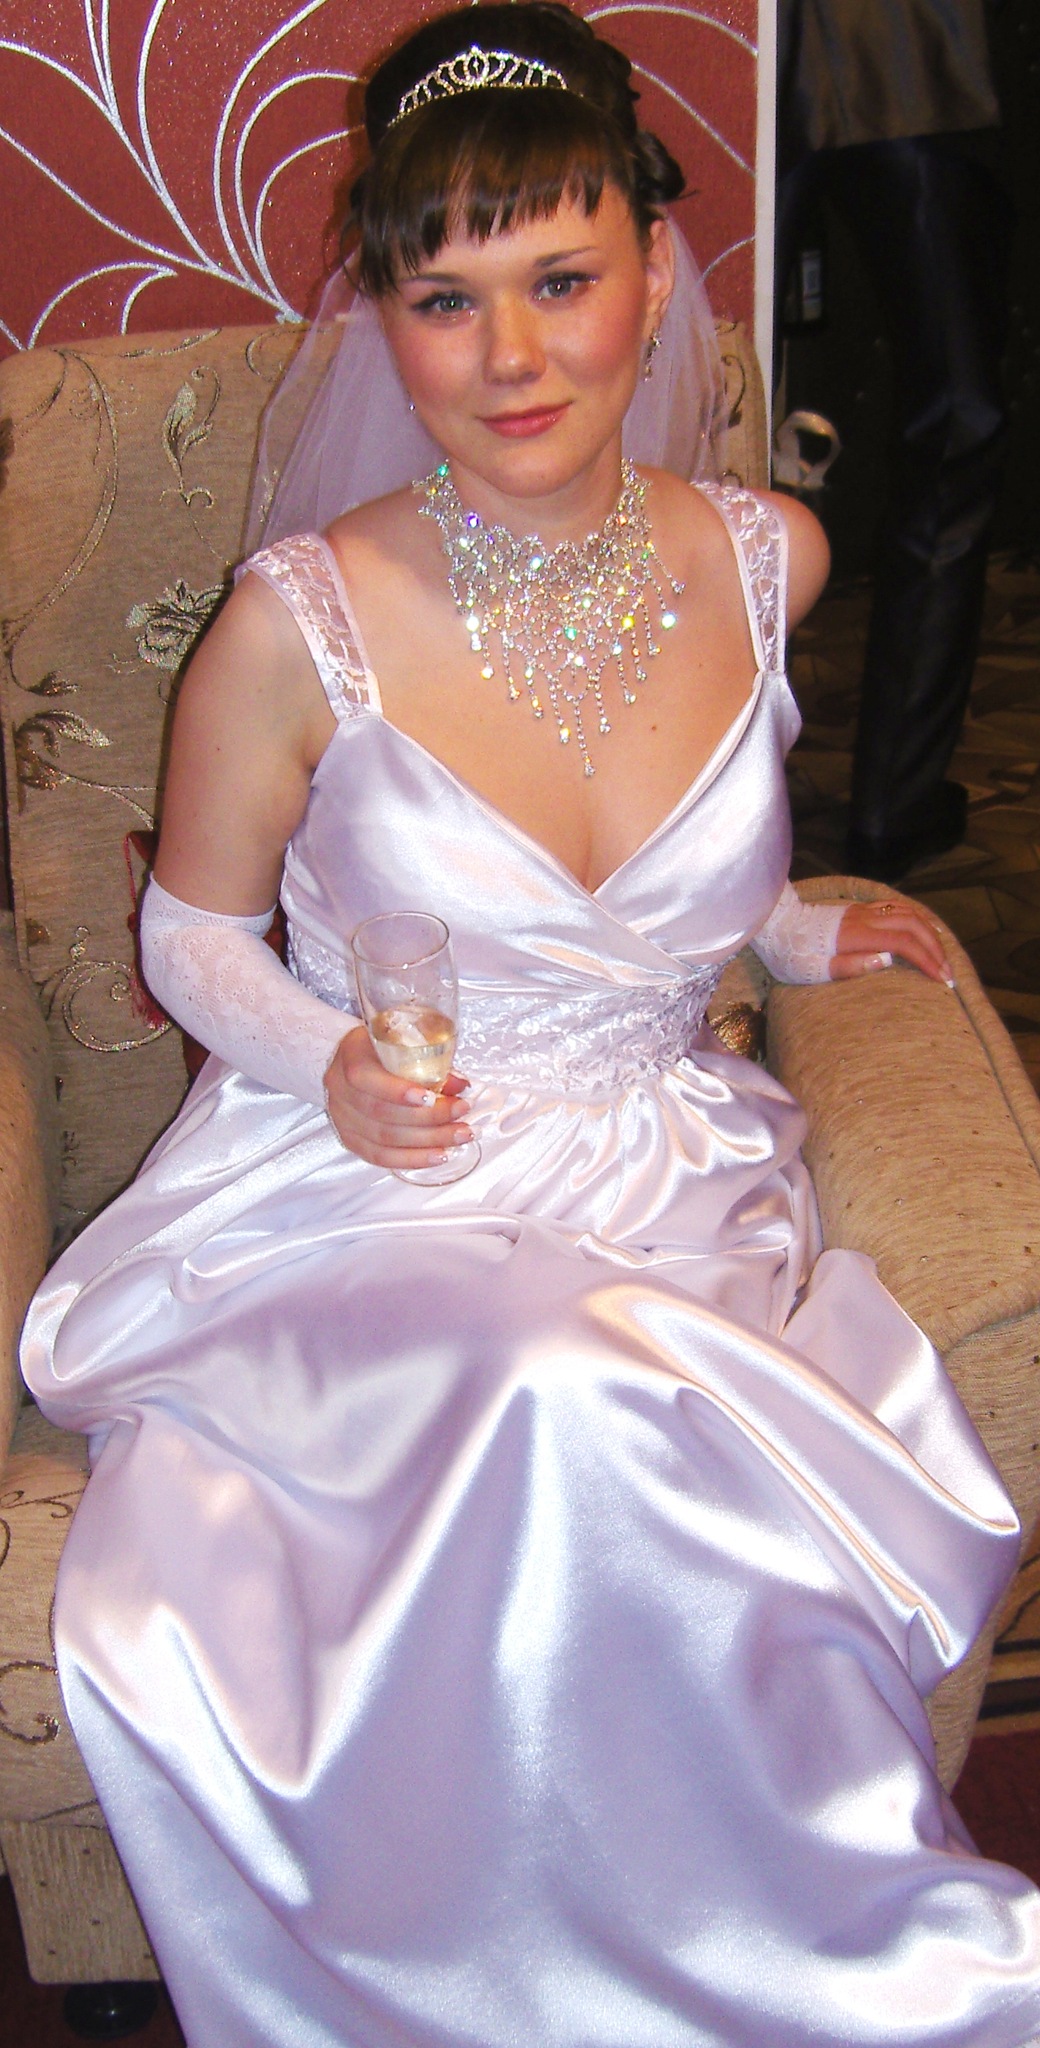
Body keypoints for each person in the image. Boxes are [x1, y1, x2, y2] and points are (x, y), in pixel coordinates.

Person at [20, 7, 1040, 2045]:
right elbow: (192, 934)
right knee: (568, 1382)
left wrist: (797, 930)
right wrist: (321, 1058)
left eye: (561, 280)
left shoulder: (768, 557)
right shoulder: (296, 621)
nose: (511, 358)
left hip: (666, 1164)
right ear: (383, 324)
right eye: (446, 301)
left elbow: (695, 877)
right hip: (364, 1185)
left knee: (621, 1387)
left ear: (657, 273)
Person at [776, 0, 1012, 881]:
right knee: (954, 423)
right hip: (909, 56)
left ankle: (669, 795)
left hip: (758, 47)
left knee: (695, 385)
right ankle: (895, 802)